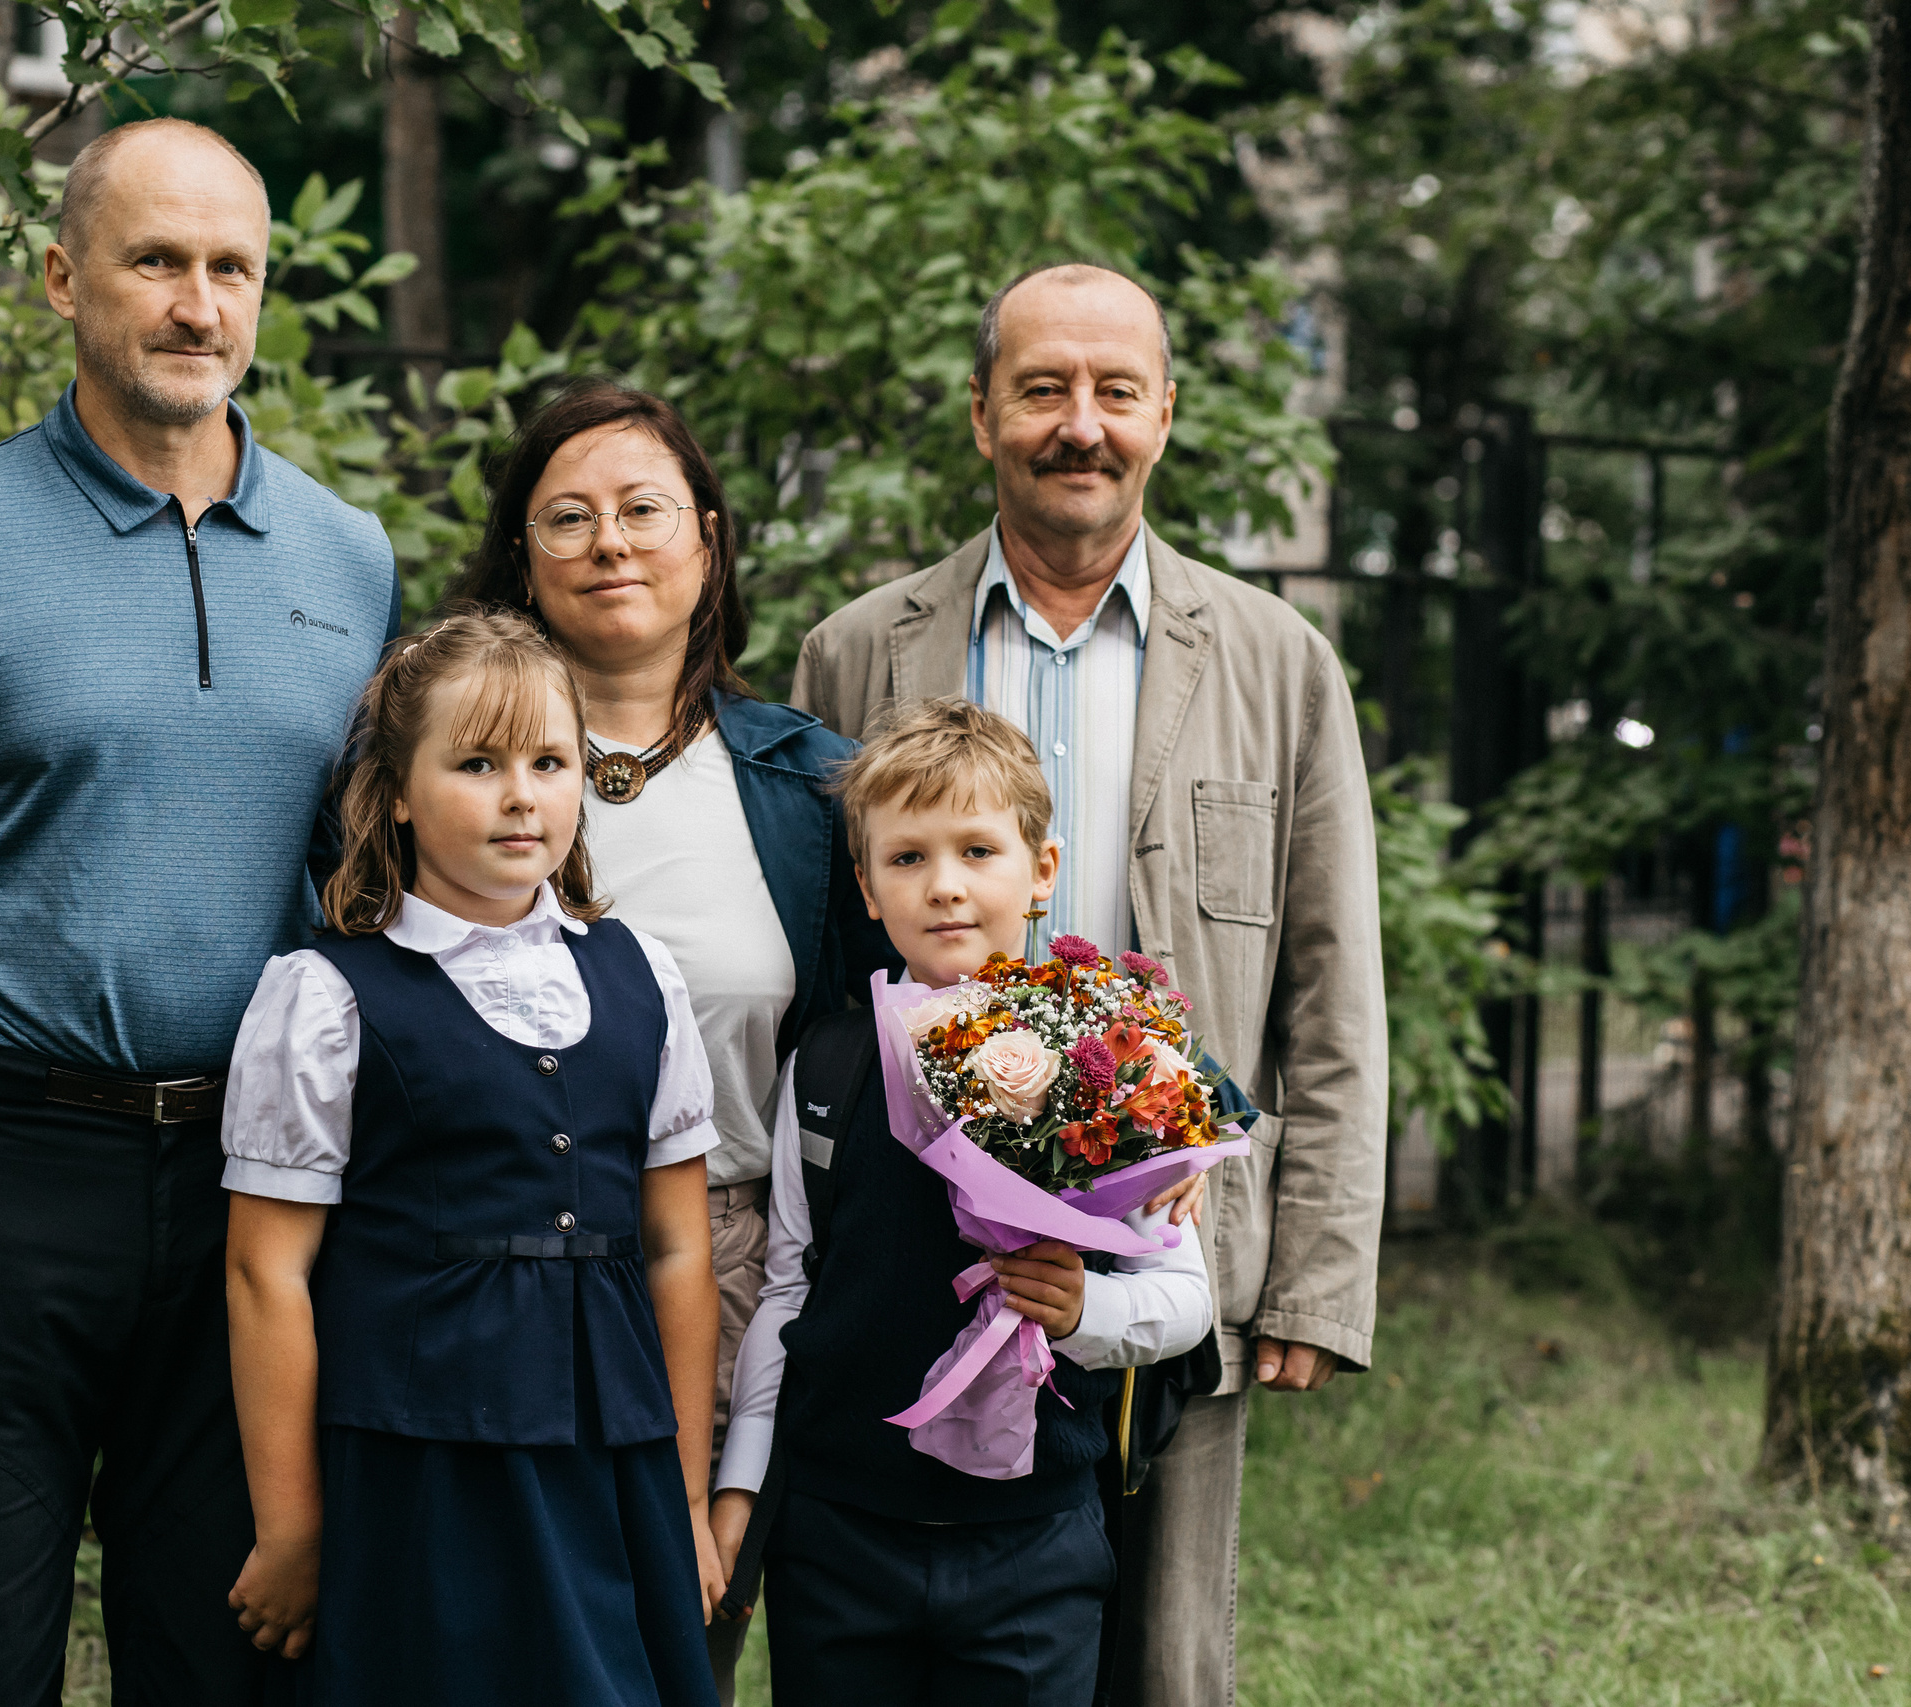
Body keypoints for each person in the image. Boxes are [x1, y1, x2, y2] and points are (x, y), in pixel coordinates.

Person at [0, 117, 397, 1705]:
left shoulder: (350, 558)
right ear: (64, 277)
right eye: (156, 262)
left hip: (251, 1190)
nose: (198, 305)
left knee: (229, 1654)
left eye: (231, 269)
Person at [789, 262, 1388, 1706]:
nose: (1082, 423)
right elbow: (826, 961)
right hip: (923, 1262)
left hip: (1170, 1241)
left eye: (1116, 391)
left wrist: (1314, 1273)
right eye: (1045, 387)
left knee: (1164, 1665)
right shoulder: (859, 650)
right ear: (982, 410)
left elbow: (1334, 984)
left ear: (1164, 416)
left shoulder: (1278, 661)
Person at [448, 380, 896, 1699]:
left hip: (734, 1258)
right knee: (484, 1633)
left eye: (645, 508)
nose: (611, 541)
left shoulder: (812, 786)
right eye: (569, 515)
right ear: (519, 557)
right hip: (482, 1250)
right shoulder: (432, 760)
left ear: (708, 538)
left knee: (673, 1635)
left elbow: (888, 1033)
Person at [219, 608, 721, 1707]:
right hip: (421, 1458)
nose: (519, 795)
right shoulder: (328, 995)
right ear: (397, 790)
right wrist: (292, 1526)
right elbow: (267, 1274)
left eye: (548, 762)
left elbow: (680, 1252)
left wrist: (683, 1497)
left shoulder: (642, 979)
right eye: (477, 763)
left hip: (611, 1457)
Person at [712, 698, 1213, 1703]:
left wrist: (1084, 1314)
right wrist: (743, 1489)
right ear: (863, 883)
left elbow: (1184, 1297)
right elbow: (784, 1295)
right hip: (840, 1534)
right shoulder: (830, 1061)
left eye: (977, 850)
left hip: (1032, 1544)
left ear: (1040, 870)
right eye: (906, 859)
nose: (943, 888)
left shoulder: (1116, 1057)